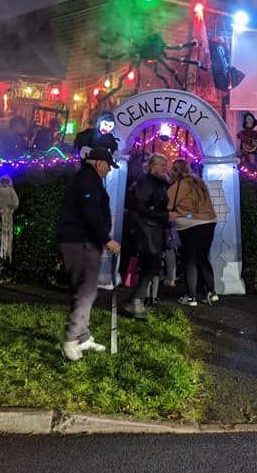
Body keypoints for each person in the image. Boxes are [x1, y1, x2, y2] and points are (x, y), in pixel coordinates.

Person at [54, 147, 121, 361]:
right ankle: (71, 338)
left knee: (84, 289)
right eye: (108, 166)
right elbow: (90, 213)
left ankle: (82, 336)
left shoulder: (86, 178)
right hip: (80, 241)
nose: (109, 170)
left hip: (80, 240)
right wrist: (106, 239)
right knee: (86, 290)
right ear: (99, 163)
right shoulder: (88, 180)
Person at [124, 153, 172, 318]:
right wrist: (164, 216)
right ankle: (136, 301)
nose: (164, 167)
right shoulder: (146, 183)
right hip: (147, 230)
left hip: (154, 230)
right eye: (160, 164)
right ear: (151, 165)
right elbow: (140, 207)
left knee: (153, 266)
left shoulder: (161, 183)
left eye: (165, 164)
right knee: (152, 265)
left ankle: (136, 300)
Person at [168, 159, 218, 307]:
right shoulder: (200, 182)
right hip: (209, 222)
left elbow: (167, 206)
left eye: (172, 169)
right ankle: (212, 293)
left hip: (189, 225)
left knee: (189, 260)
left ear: (177, 171)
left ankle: (191, 297)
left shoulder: (176, 187)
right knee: (202, 257)